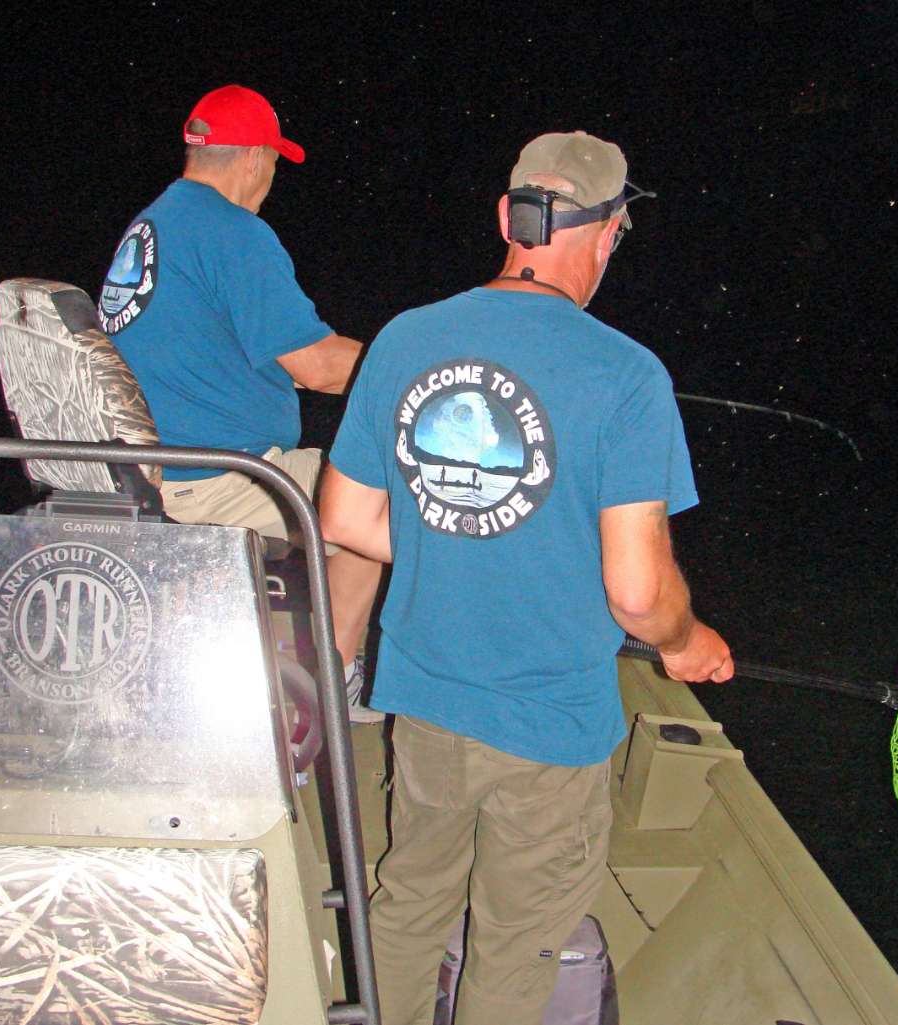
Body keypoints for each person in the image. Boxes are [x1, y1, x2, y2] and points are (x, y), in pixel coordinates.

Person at [318, 131, 734, 1024]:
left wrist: (463, 542)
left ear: (508, 217)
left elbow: (346, 520)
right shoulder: (625, 376)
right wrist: (689, 641)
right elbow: (636, 592)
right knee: (514, 942)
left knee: (409, 900)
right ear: (610, 231)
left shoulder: (405, 337)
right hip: (549, 725)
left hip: (424, 699)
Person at [96, 84, 382, 722]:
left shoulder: (153, 225)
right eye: (275, 163)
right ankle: (329, 692)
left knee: (350, 492)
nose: (272, 177)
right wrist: (414, 368)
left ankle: (317, 674)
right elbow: (314, 364)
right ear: (254, 159)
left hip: (158, 469)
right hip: (215, 479)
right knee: (380, 497)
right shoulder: (232, 232)